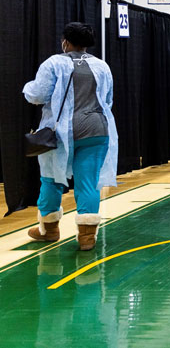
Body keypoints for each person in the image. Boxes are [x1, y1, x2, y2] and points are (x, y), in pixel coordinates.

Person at [23, 22, 118, 251]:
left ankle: (49, 229)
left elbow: (37, 95)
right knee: (88, 182)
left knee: (51, 178)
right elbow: (108, 99)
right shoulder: (102, 66)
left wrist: (27, 88)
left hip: (61, 132)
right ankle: (87, 237)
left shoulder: (54, 63)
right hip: (97, 129)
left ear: (65, 41)